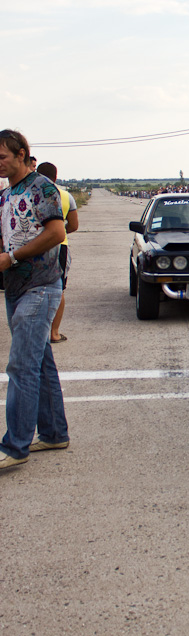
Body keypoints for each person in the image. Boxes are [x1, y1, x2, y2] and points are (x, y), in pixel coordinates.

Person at [0, 129, 69, 470]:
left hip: (40, 286)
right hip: (15, 287)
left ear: (21, 153)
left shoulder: (41, 186)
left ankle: (15, 446)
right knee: (40, 363)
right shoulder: (6, 194)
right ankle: (54, 433)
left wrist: (11, 258)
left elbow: (57, 232)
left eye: (2, 156)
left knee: (21, 366)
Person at [36, 162, 78, 343]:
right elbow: (74, 225)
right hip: (60, 246)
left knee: (33, 288)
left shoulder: (31, 194)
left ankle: (36, 331)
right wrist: (57, 233)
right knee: (58, 289)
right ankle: (54, 332)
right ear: (55, 176)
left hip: (34, 246)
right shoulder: (66, 196)